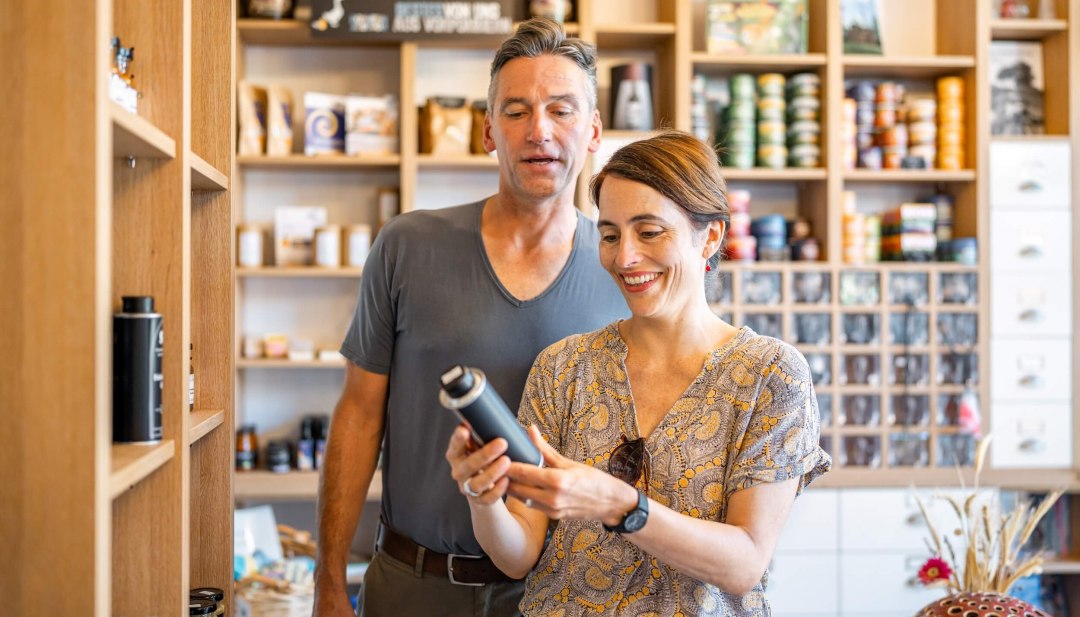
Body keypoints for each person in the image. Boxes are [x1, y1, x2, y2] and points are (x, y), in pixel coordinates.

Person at [313, 18, 629, 617]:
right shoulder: (407, 245)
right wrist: (328, 579)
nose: (539, 130)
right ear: (488, 131)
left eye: (562, 110)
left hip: (557, 594)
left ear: (592, 131)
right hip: (411, 583)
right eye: (516, 111)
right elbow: (358, 413)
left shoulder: (622, 271)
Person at [446, 131, 832, 616]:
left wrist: (620, 506)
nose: (624, 257)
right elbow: (519, 555)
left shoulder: (769, 375)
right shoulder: (562, 368)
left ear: (710, 236)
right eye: (609, 235)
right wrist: (481, 496)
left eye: (649, 232)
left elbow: (745, 563)